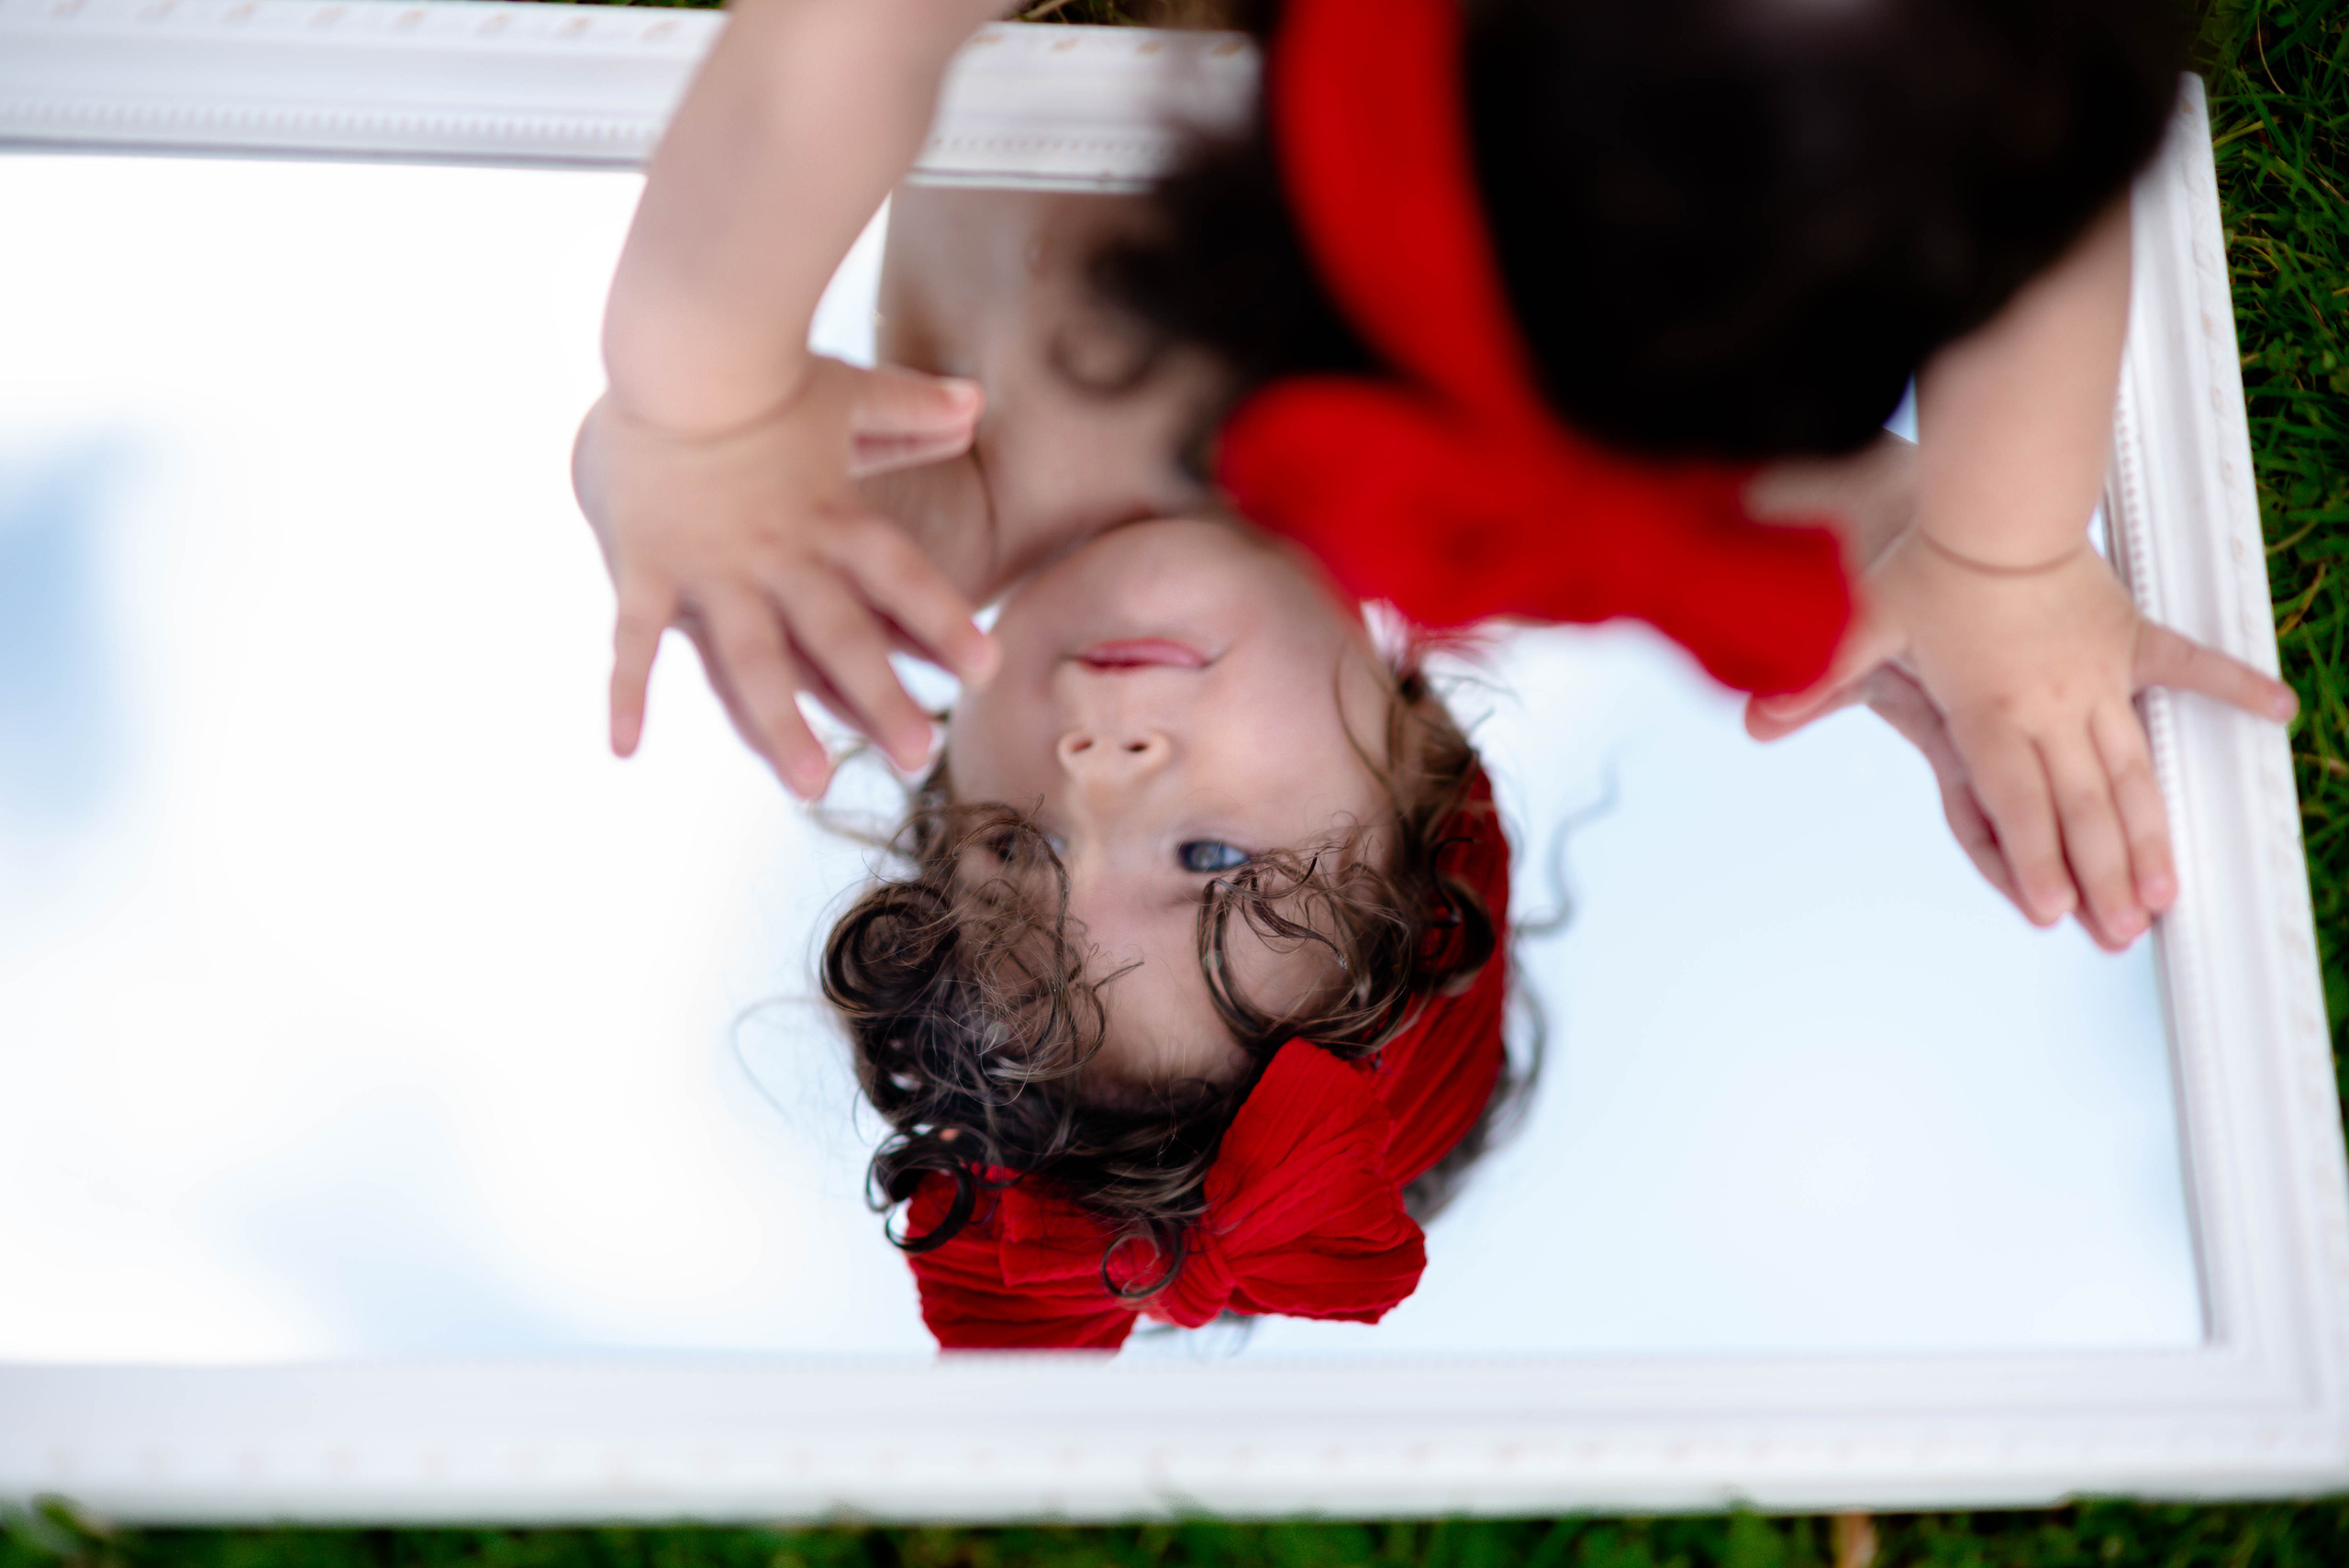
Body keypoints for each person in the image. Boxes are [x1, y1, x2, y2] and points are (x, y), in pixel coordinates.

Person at [574, 0, 2292, 962]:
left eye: (1014, 841)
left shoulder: (968, 510)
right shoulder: (1585, 487)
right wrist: (1997, 564)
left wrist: (695, 420)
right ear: (1415, 760)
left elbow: (847, 46)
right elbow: (2010, 164)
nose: (1101, 769)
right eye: (1213, 858)